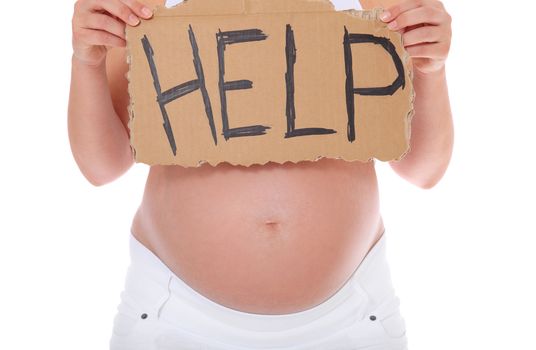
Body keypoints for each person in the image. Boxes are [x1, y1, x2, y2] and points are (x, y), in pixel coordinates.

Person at [68, 0, 453, 349]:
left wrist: (431, 69)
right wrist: (87, 61)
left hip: (348, 320)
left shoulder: (374, 4)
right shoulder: (152, 5)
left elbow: (423, 170)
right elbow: (103, 167)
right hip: (177, 318)